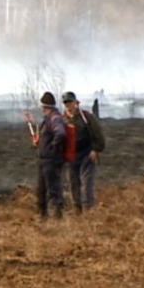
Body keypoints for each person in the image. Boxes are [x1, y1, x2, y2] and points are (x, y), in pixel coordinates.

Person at [62, 91, 106, 214]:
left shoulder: (85, 116)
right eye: (65, 102)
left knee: (87, 184)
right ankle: (77, 210)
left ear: (75, 102)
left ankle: (88, 210)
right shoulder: (62, 119)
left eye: (69, 102)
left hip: (87, 153)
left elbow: (98, 133)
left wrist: (95, 149)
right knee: (73, 183)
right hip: (71, 156)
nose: (68, 104)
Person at [35, 91, 66, 219]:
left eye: (43, 106)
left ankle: (57, 217)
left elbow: (61, 134)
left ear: (46, 106)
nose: (42, 109)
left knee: (53, 189)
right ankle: (43, 216)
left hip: (51, 160)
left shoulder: (55, 118)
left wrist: (52, 147)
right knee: (41, 190)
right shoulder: (48, 119)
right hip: (44, 159)